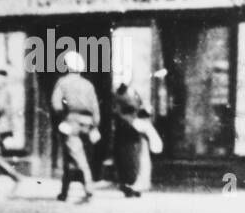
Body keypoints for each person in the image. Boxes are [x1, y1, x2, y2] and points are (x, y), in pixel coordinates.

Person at [51, 51, 100, 203]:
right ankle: (64, 192)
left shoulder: (62, 83)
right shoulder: (88, 85)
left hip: (71, 122)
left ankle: (89, 189)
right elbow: (95, 108)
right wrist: (95, 126)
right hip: (87, 124)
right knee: (73, 156)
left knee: (77, 157)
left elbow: (56, 104)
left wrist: (62, 117)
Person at [112, 84, 163, 198]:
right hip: (131, 130)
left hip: (129, 130)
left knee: (131, 159)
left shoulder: (122, 96)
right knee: (133, 159)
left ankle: (131, 185)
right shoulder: (129, 95)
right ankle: (132, 185)